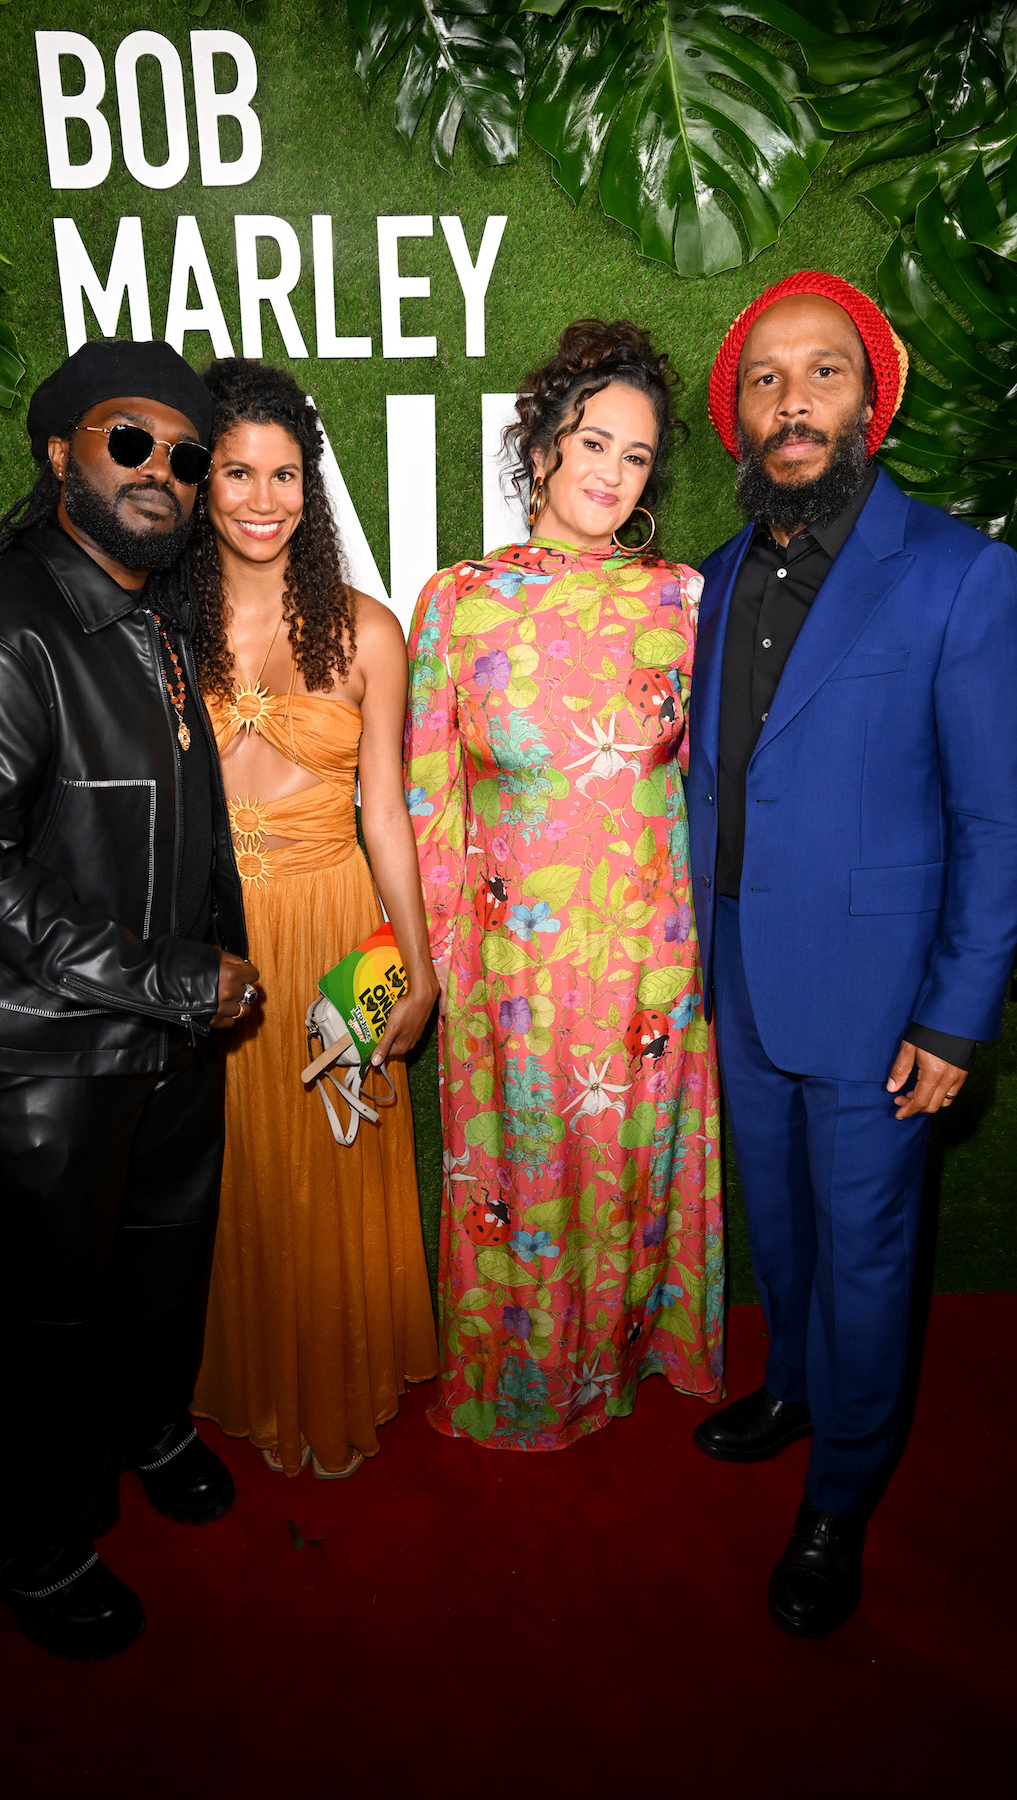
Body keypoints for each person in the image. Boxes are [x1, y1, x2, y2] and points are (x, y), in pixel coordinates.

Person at [0, 339, 260, 1660]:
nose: (162, 471)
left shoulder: (152, 627)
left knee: (163, 1265)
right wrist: (167, 979)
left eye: (185, 457)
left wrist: (199, 982)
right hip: (49, 1054)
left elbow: (187, 836)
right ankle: (34, 1545)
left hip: (169, 1038)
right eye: (129, 442)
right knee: (54, 1308)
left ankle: (147, 1430)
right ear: (61, 454)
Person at [686, 271, 1017, 1637]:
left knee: (874, 1249)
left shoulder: (960, 572)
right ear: (741, 420)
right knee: (785, 1218)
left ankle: (844, 1490)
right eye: (766, 378)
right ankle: (795, 1390)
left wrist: (952, 1020)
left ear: (868, 403)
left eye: (821, 372)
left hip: (884, 1003)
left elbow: (998, 821)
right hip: (746, 982)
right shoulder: (713, 578)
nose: (792, 398)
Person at [406, 318, 725, 1452]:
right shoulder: (459, 600)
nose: (609, 472)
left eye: (635, 456)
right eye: (592, 441)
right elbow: (428, 801)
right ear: (539, 445)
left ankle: (633, 1351)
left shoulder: (685, 601)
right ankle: (527, 1379)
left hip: (649, 959)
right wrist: (440, 968)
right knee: (526, 1187)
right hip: (512, 965)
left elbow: (715, 785)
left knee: (632, 1172)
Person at [188, 358, 439, 1478]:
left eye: (283, 473)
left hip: (343, 928)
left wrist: (419, 971)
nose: (260, 496)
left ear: (311, 484)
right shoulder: (156, 629)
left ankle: (336, 1380)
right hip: (211, 936)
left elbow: (386, 812)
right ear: (201, 483)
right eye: (236, 470)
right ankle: (244, 1377)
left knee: (336, 1160)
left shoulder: (371, 632)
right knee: (230, 1166)